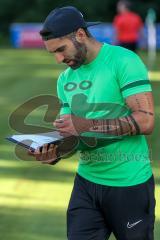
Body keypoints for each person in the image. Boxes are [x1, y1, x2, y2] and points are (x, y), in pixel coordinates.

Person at [30, 6, 155, 240]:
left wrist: (85, 125)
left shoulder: (124, 61)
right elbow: (73, 134)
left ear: (80, 34)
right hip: (86, 183)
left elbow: (146, 120)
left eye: (61, 49)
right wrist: (55, 153)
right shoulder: (65, 79)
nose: (59, 59)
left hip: (129, 183)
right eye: (52, 53)